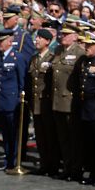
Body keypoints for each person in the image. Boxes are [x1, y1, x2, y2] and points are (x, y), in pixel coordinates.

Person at [52, 23, 84, 181]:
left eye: (66, 34)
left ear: (75, 36)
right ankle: (67, 167)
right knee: (63, 139)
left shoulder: (79, 52)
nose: (62, 36)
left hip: (70, 101)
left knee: (74, 139)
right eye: (62, 34)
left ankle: (76, 169)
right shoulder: (58, 50)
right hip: (57, 100)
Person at [75, 32, 95, 186]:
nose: (86, 47)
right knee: (88, 143)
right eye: (86, 44)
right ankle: (92, 172)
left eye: (90, 45)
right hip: (85, 108)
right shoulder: (84, 61)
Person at [27, 28, 58, 176]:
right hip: (36, 103)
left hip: (46, 103)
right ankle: (44, 164)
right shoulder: (34, 58)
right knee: (40, 136)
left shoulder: (52, 58)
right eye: (36, 37)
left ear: (48, 41)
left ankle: (53, 166)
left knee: (50, 136)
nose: (37, 40)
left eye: (40, 38)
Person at [0, 29, 26, 171]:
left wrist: (20, 99)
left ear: (9, 41)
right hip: (2, 101)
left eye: (1, 42)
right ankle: (8, 160)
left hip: (12, 102)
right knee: (6, 134)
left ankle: (13, 161)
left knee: (13, 134)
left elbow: (22, 81)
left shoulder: (17, 57)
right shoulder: (0, 56)